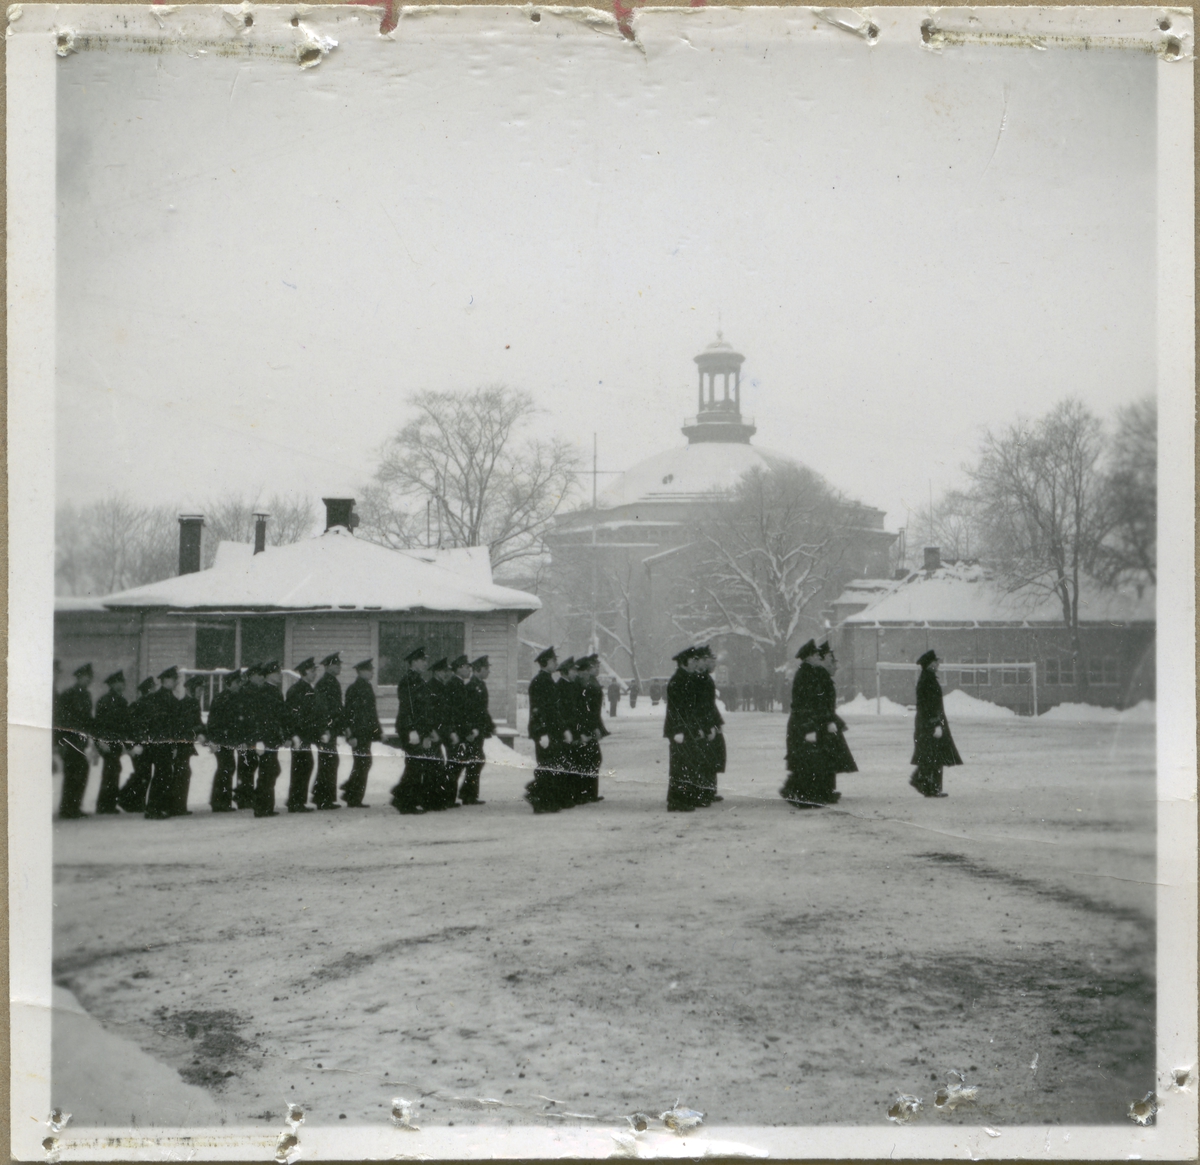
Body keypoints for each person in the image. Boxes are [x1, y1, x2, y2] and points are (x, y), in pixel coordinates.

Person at [909, 649, 963, 797]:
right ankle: (926, 784)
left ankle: (929, 786)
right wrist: (935, 724)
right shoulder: (927, 680)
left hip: (929, 722)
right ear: (929, 664)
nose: (938, 664)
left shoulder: (929, 678)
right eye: (935, 662)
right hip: (930, 723)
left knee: (932, 755)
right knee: (933, 755)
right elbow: (927, 705)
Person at [663, 647, 711, 812]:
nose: (695, 663)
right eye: (692, 661)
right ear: (684, 663)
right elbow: (676, 709)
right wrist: (678, 730)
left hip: (687, 728)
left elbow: (693, 709)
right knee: (679, 766)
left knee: (687, 764)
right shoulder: (678, 681)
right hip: (680, 730)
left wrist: (697, 728)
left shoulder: (686, 679)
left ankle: (684, 797)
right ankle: (676, 800)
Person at [393, 647, 437, 814]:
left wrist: (427, 731)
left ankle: (401, 798)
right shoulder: (409, 680)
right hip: (410, 728)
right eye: (422, 660)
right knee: (414, 765)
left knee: (416, 765)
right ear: (413, 662)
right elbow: (407, 707)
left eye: (426, 660)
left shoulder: (418, 680)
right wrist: (412, 730)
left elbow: (424, 710)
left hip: (418, 728)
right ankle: (405, 803)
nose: (425, 663)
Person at [813, 642, 856, 802]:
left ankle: (828, 790)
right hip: (824, 724)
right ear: (823, 660)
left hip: (826, 722)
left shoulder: (823, 676)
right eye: (831, 660)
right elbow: (820, 704)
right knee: (826, 758)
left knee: (829, 757)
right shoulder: (820, 678)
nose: (835, 665)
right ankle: (825, 791)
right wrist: (829, 721)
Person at [525, 645, 565, 814]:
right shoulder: (540, 682)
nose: (557, 662)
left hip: (551, 730)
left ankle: (545, 800)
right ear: (546, 662)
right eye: (554, 660)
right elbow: (538, 708)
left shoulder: (547, 680)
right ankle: (537, 797)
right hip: (544, 731)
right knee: (546, 765)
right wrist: (541, 732)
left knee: (550, 765)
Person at [248, 661, 289, 817]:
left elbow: (279, 716)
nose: (280, 675)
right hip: (266, 739)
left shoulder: (273, 691)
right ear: (268, 675)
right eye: (277, 673)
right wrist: (258, 739)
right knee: (268, 771)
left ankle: (264, 805)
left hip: (271, 738)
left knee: (270, 770)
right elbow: (260, 718)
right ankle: (262, 807)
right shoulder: (264, 692)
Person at [284, 658, 324, 812]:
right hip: (300, 735)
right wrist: (294, 734)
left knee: (305, 766)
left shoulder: (309, 688)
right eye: (313, 671)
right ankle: (295, 802)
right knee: (301, 767)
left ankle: (296, 800)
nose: (315, 674)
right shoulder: (297, 690)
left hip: (306, 734)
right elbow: (293, 714)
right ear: (305, 672)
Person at [56, 663, 95, 819]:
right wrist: (61, 742)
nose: (89, 680)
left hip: (80, 740)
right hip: (69, 740)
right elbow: (61, 719)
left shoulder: (86, 695)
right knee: (72, 773)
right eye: (86, 677)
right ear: (79, 677)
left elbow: (87, 719)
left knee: (81, 771)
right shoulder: (68, 694)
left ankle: (74, 806)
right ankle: (67, 809)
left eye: (90, 678)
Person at [144, 666, 183, 819]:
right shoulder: (158, 698)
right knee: (162, 774)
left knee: (164, 774)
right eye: (174, 680)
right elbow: (156, 722)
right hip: (160, 742)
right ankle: (154, 808)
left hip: (165, 742)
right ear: (165, 680)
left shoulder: (170, 698)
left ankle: (158, 807)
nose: (176, 683)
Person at [341, 658, 382, 807]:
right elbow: (349, 714)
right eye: (369, 670)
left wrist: (378, 731)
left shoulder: (367, 687)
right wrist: (351, 735)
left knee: (363, 763)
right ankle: (352, 796)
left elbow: (371, 713)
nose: (372, 672)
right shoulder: (354, 689)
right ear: (361, 672)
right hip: (358, 734)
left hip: (365, 733)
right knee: (363, 763)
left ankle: (351, 793)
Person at [117, 676, 157, 813]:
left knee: (144, 774)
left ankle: (135, 802)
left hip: (146, 746)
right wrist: (132, 746)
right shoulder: (138, 706)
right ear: (149, 690)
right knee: (142, 773)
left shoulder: (150, 705)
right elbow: (130, 728)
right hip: (139, 746)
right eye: (154, 688)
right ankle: (124, 798)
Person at [459, 655, 494, 806]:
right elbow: (469, 711)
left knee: (476, 760)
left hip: (479, 729)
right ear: (478, 670)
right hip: (473, 730)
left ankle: (469, 794)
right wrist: (472, 729)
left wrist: (488, 726)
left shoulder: (480, 685)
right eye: (486, 669)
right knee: (476, 760)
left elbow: (483, 710)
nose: (488, 672)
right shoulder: (472, 686)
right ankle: (468, 794)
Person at [93, 670, 129, 815]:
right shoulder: (106, 701)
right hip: (108, 741)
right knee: (111, 771)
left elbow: (124, 723)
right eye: (119, 683)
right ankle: (104, 805)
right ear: (112, 684)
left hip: (114, 741)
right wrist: (100, 741)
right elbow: (99, 724)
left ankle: (107, 804)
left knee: (113, 770)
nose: (122, 685)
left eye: (122, 682)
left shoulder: (120, 700)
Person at [206, 669, 243, 812]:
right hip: (220, 739)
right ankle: (219, 802)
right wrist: (214, 739)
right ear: (230, 684)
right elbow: (215, 721)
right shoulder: (222, 699)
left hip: (227, 739)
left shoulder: (233, 698)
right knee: (226, 768)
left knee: (227, 768)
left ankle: (221, 801)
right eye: (237, 682)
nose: (239, 685)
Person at [424, 658, 458, 810]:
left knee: (441, 764)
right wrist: (432, 731)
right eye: (444, 671)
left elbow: (447, 712)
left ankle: (440, 799)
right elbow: (429, 713)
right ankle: (432, 800)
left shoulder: (443, 687)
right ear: (437, 672)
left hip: (443, 730)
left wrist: (450, 731)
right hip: (434, 732)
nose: (447, 674)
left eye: (448, 671)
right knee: (434, 765)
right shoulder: (430, 687)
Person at [171, 673, 207, 816]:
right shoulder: (187, 703)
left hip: (185, 742)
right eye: (199, 690)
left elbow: (197, 724)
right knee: (182, 772)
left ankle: (178, 806)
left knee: (183, 772)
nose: (201, 693)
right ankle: (177, 806)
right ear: (192, 689)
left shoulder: (192, 703)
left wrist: (202, 732)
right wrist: (198, 732)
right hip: (181, 743)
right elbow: (187, 725)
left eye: (202, 690)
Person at [694, 646, 725, 806]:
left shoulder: (706, 678)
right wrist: (708, 726)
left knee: (712, 757)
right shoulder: (700, 679)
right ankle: (703, 792)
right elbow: (702, 706)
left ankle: (709, 790)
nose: (714, 664)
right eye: (710, 661)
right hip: (705, 724)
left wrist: (717, 722)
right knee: (704, 758)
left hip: (710, 722)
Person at [442, 656, 475, 808]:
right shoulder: (454, 685)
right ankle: (447, 798)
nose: (469, 670)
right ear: (459, 668)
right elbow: (453, 713)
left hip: (458, 731)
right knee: (454, 764)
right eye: (467, 667)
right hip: (455, 732)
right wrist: (453, 732)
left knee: (456, 763)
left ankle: (449, 797)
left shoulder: (459, 684)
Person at [314, 653, 345, 810]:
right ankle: (322, 798)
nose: (339, 667)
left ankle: (324, 797)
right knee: (328, 761)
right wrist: (326, 727)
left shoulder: (332, 682)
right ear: (327, 667)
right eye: (336, 664)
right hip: (326, 728)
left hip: (331, 727)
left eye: (339, 664)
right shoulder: (325, 683)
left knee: (330, 761)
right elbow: (323, 709)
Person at [577, 655, 609, 804]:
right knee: (591, 759)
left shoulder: (590, 681)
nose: (597, 669)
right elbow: (588, 710)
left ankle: (589, 793)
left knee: (592, 759)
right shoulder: (587, 683)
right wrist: (595, 728)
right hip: (588, 726)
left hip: (590, 726)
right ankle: (587, 793)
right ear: (588, 668)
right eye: (595, 666)